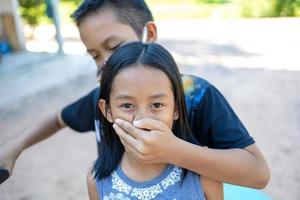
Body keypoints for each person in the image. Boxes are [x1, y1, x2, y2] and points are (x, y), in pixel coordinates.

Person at [0, 0, 270, 188]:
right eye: (95, 55)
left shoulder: (195, 95)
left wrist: (175, 151)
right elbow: (58, 118)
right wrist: (13, 148)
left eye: (114, 47)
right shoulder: (103, 99)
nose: (105, 63)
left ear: (149, 34)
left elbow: (258, 173)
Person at [87, 41, 223, 200]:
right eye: (127, 105)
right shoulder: (96, 180)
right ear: (107, 111)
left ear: (176, 108)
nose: (142, 120)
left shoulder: (206, 175)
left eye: (157, 105)